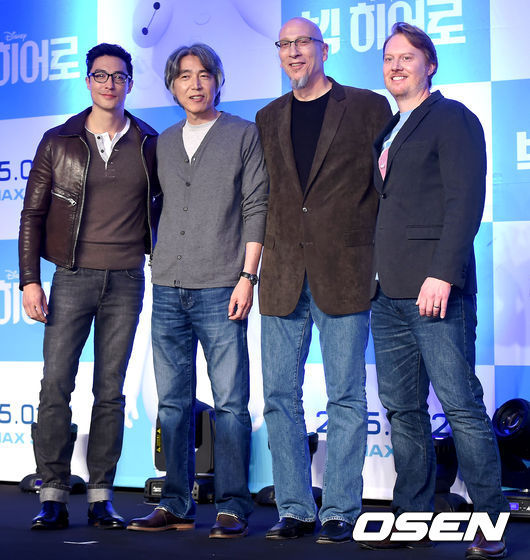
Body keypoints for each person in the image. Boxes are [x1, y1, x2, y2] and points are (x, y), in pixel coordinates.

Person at [366, 22, 509, 559]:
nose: (396, 65)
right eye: (389, 58)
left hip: (436, 290)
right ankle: (412, 517)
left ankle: (490, 520)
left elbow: (464, 201)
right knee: (403, 410)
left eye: (407, 57)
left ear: (430, 65)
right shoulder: (389, 128)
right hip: (387, 292)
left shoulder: (453, 118)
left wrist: (443, 273)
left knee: (461, 406)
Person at [255, 17, 391, 543]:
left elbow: (385, 189)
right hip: (282, 272)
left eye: (303, 43)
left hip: (346, 270)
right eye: (285, 44)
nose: (294, 52)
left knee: (346, 397)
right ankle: (294, 507)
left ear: (324, 49)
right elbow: (266, 198)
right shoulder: (268, 117)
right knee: (279, 396)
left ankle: (339, 510)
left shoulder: (367, 106)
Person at [127, 43, 268, 539]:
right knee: (172, 403)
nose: (195, 83)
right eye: (184, 75)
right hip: (168, 287)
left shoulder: (243, 133)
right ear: (172, 86)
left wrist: (248, 277)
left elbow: (257, 206)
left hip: (222, 286)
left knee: (230, 403)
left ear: (218, 81)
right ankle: (175, 503)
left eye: (204, 74)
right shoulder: (162, 142)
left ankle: (232, 506)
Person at [19, 43, 161, 530]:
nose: (109, 84)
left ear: (130, 83)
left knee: (110, 392)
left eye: (118, 76)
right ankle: (52, 494)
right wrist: (30, 280)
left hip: (127, 279)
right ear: (87, 81)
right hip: (72, 277)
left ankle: (102, 497)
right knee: (55, 386)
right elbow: (32, 215)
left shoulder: (148, 141)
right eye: (100, 75)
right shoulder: (58, 140)